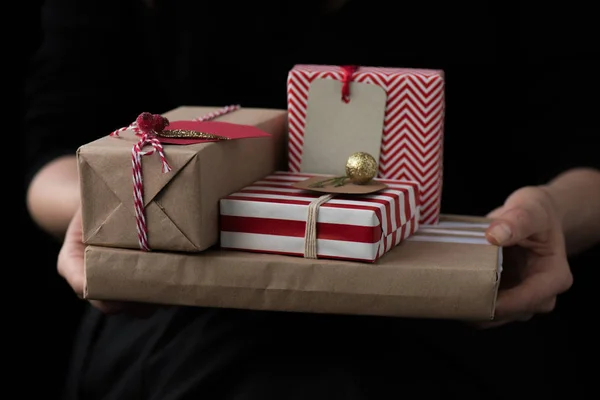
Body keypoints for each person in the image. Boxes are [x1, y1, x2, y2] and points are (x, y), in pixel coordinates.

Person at [24, 0, 600, 399]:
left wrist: (548, 215)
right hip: (183, 296)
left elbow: (584, 151)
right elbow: (53, 152)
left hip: (462, 294)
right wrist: (113, 209)